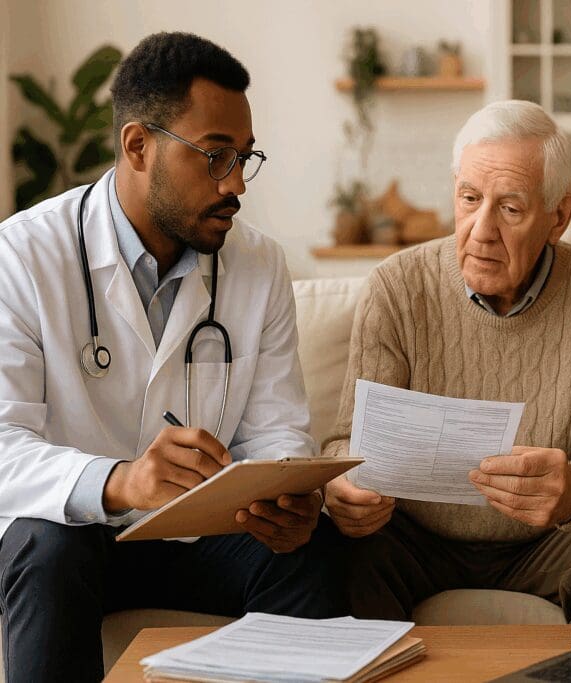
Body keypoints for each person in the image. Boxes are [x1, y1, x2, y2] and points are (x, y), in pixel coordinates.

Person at [0, 32, 344, 682]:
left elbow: (276, 430)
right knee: (49, 547)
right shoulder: (21, 255)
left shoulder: (258, 263)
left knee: (310, 547)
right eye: (215, 156)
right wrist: (120, 480)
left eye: (245, 157)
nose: (237, 182)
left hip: (193, 539)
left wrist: (283, 495)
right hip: (72, 537)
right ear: (138, 146)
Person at [321, 100, 571, 621]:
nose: (482, 230)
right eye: (469, 199)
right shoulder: (396, 288)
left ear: (560, 216)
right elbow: (345, 443)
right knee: (330, 564)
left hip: (549, 541)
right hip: (411, 537)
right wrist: (339, 486)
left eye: (510, 208)